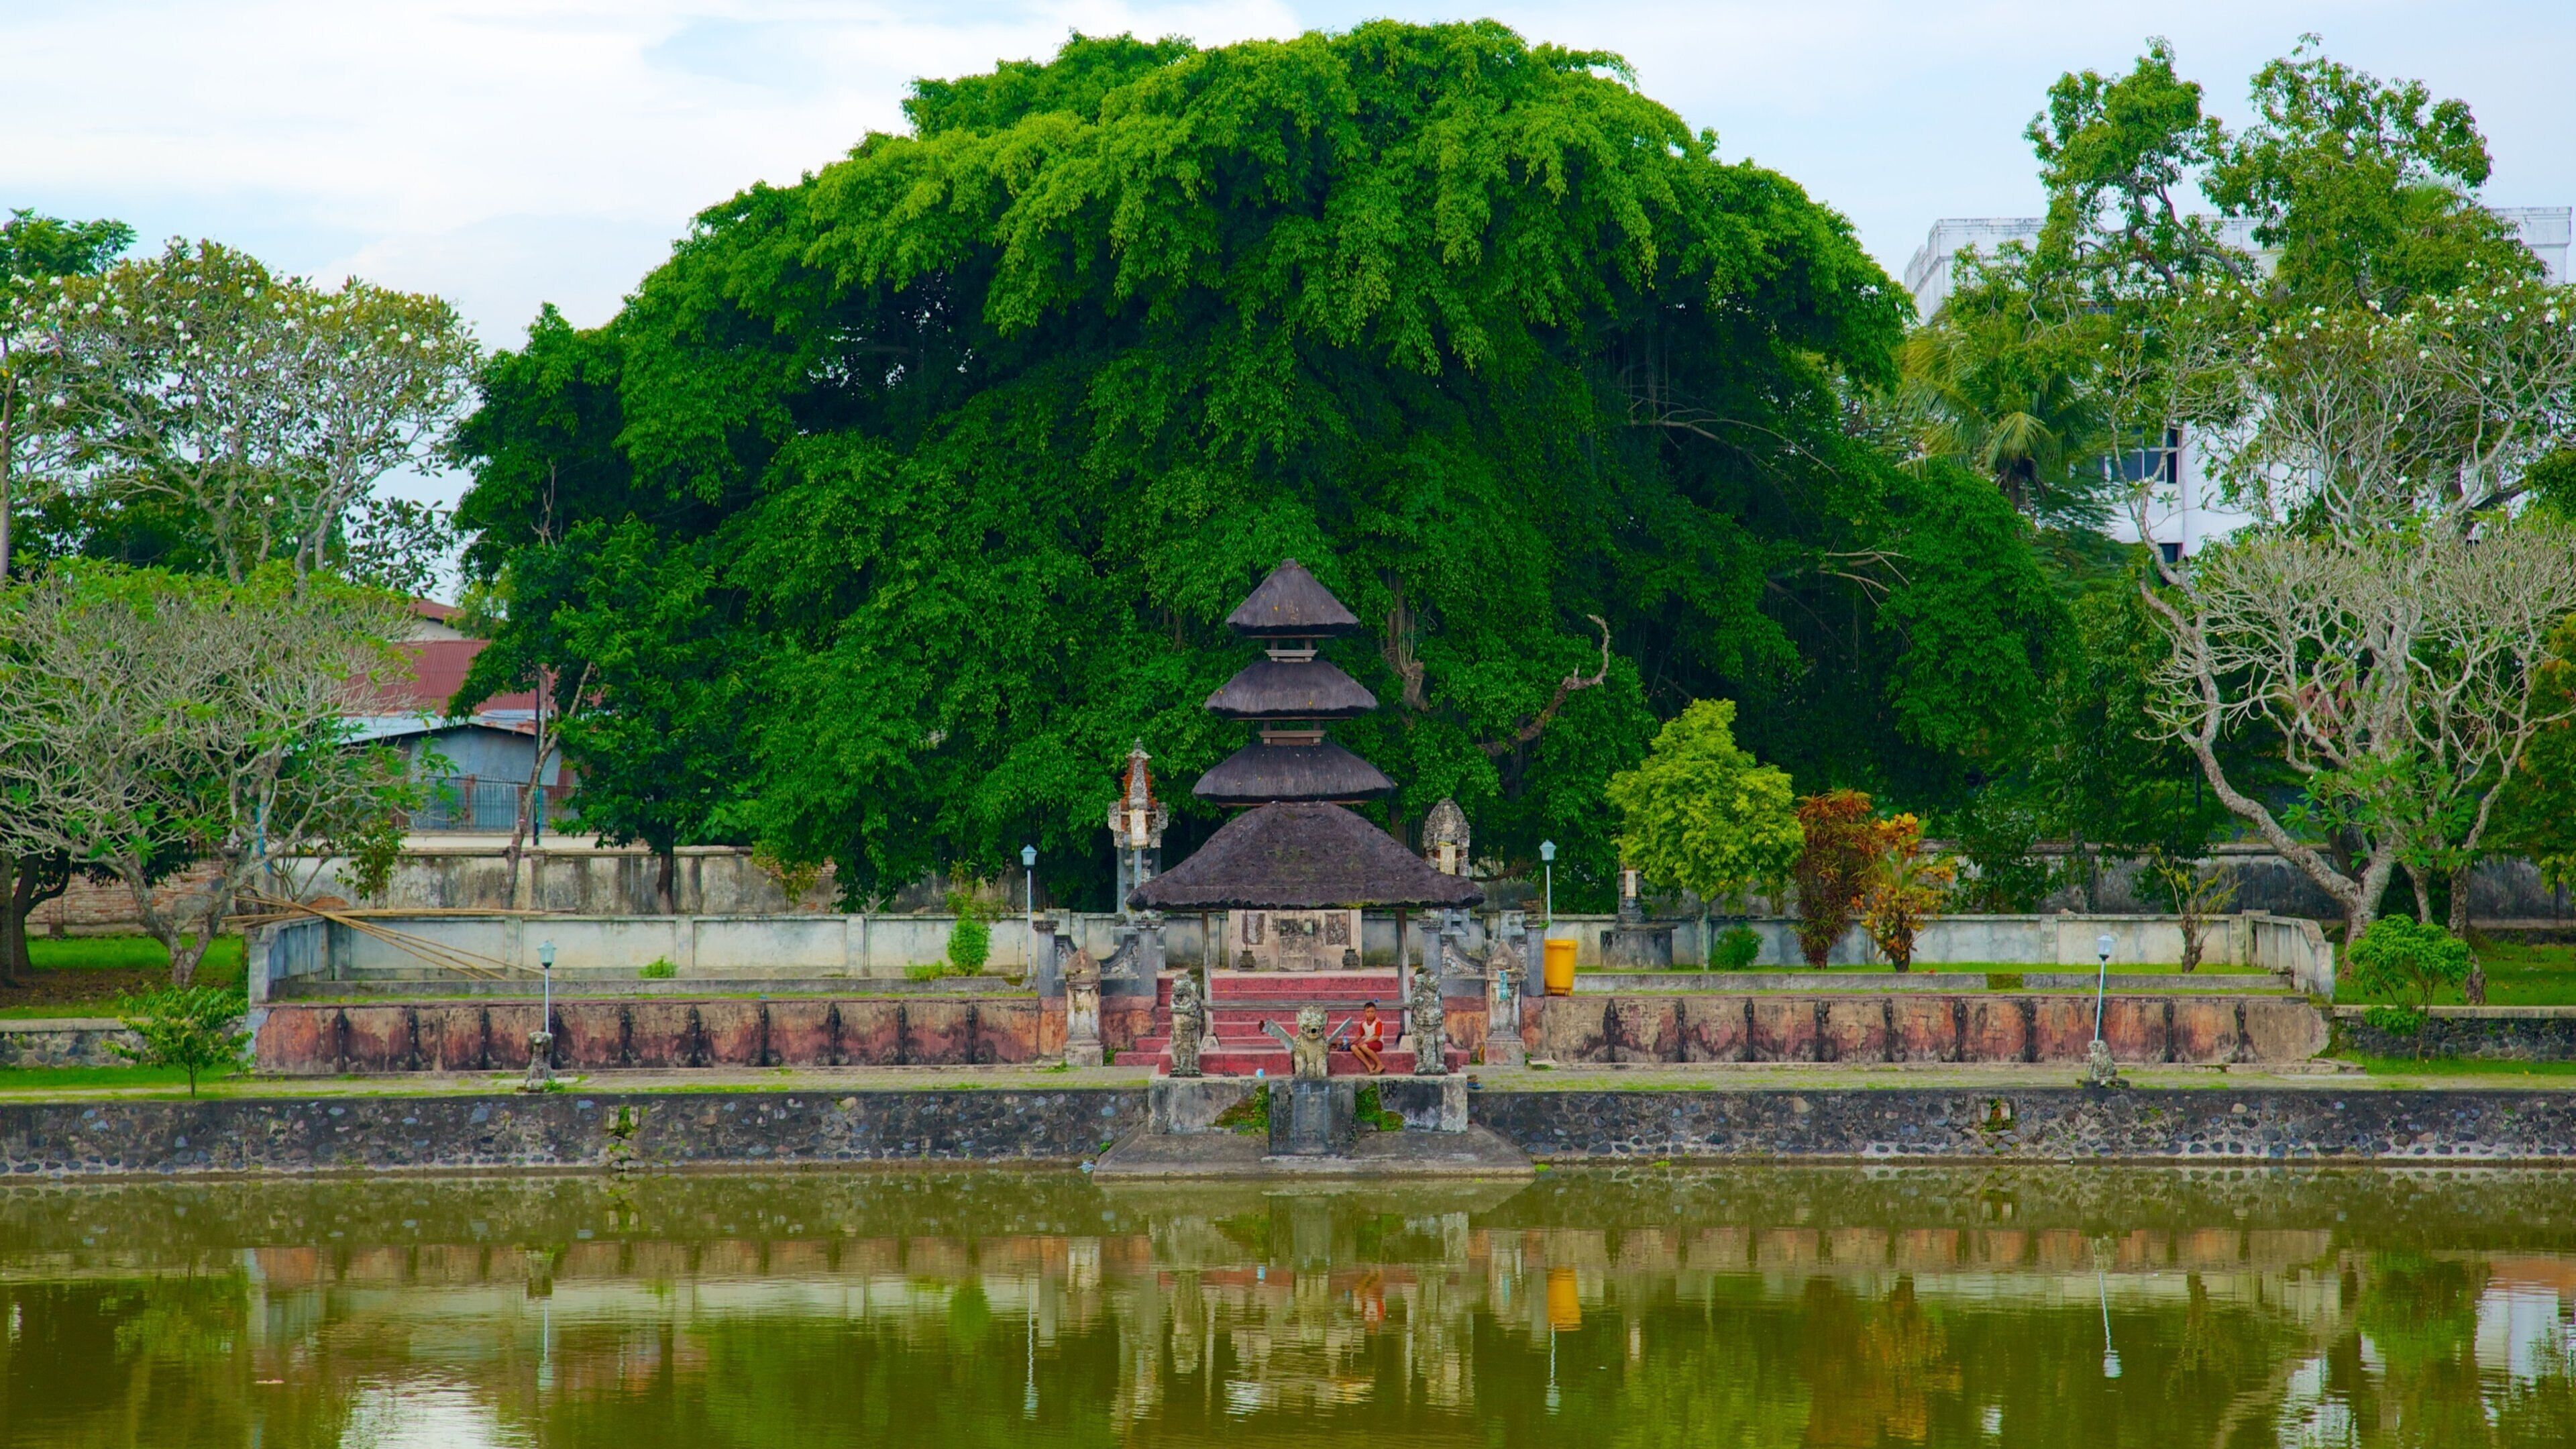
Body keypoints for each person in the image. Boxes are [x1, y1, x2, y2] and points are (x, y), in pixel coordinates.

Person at [1352, 1000, 1386, 1075]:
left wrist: (1365, 1042)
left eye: (1372, 1012)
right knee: (1353, 1047)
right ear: (1365, 1013)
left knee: (1363, 1046)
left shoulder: (1378, 1022)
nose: (1370, 1014)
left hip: (1378, 1043)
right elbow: (1360, 1034)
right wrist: (1351, 1042)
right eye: (1368, 1012)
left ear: (1375, 1012)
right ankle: (1369, 1067)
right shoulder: (1363, 1023)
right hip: (1368, 1043)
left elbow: (1377, 1037)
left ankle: (1380, 1064)